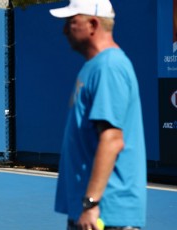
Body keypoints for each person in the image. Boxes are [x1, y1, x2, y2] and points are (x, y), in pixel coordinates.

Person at [49, 1, 146, 230]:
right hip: (91, 211)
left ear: (92, 24)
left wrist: (91, 203)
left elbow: (112, 139)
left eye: (71, 22)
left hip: (105, 214)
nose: (64, 30)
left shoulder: (109, 66)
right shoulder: (94, 66)